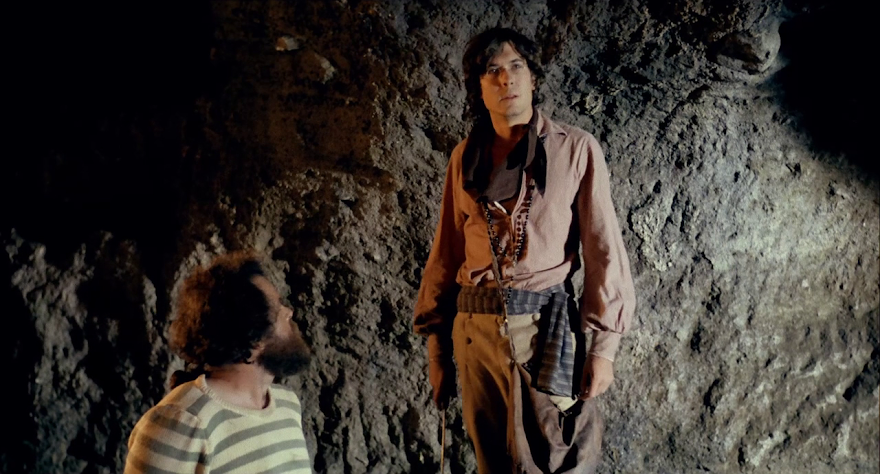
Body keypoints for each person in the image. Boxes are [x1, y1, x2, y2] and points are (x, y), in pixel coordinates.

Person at [413, 27, 636, 473]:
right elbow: (446, 256)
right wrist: (437, 352)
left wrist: (604, 350)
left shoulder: (575, 149)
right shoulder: (465, 157)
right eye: (492, 71)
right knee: (493, 464)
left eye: (516, 66)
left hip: (542, 332)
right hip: (474, 336)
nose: (506, 79)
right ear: (479, 88)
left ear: (533, 77)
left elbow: (604, 250)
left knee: (559, 458)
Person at [124, 252, 313, 474]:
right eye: (277, 308)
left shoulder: (287, 405)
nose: (288, 312)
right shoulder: (180, 424)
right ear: (254, 339)